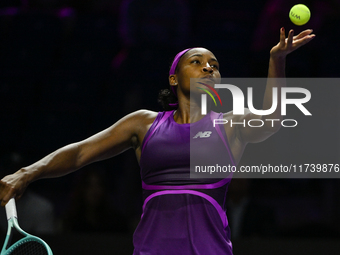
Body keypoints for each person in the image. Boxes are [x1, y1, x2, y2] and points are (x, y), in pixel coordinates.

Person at [0, 28, 314, 254]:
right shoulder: (143, 123)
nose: (208, 67)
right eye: (197, 62)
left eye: (214, 65)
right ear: (174, 78)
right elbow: (82, 153)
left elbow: (272, 120)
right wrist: (28, 172)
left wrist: (277, 60)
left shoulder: (230, 123)